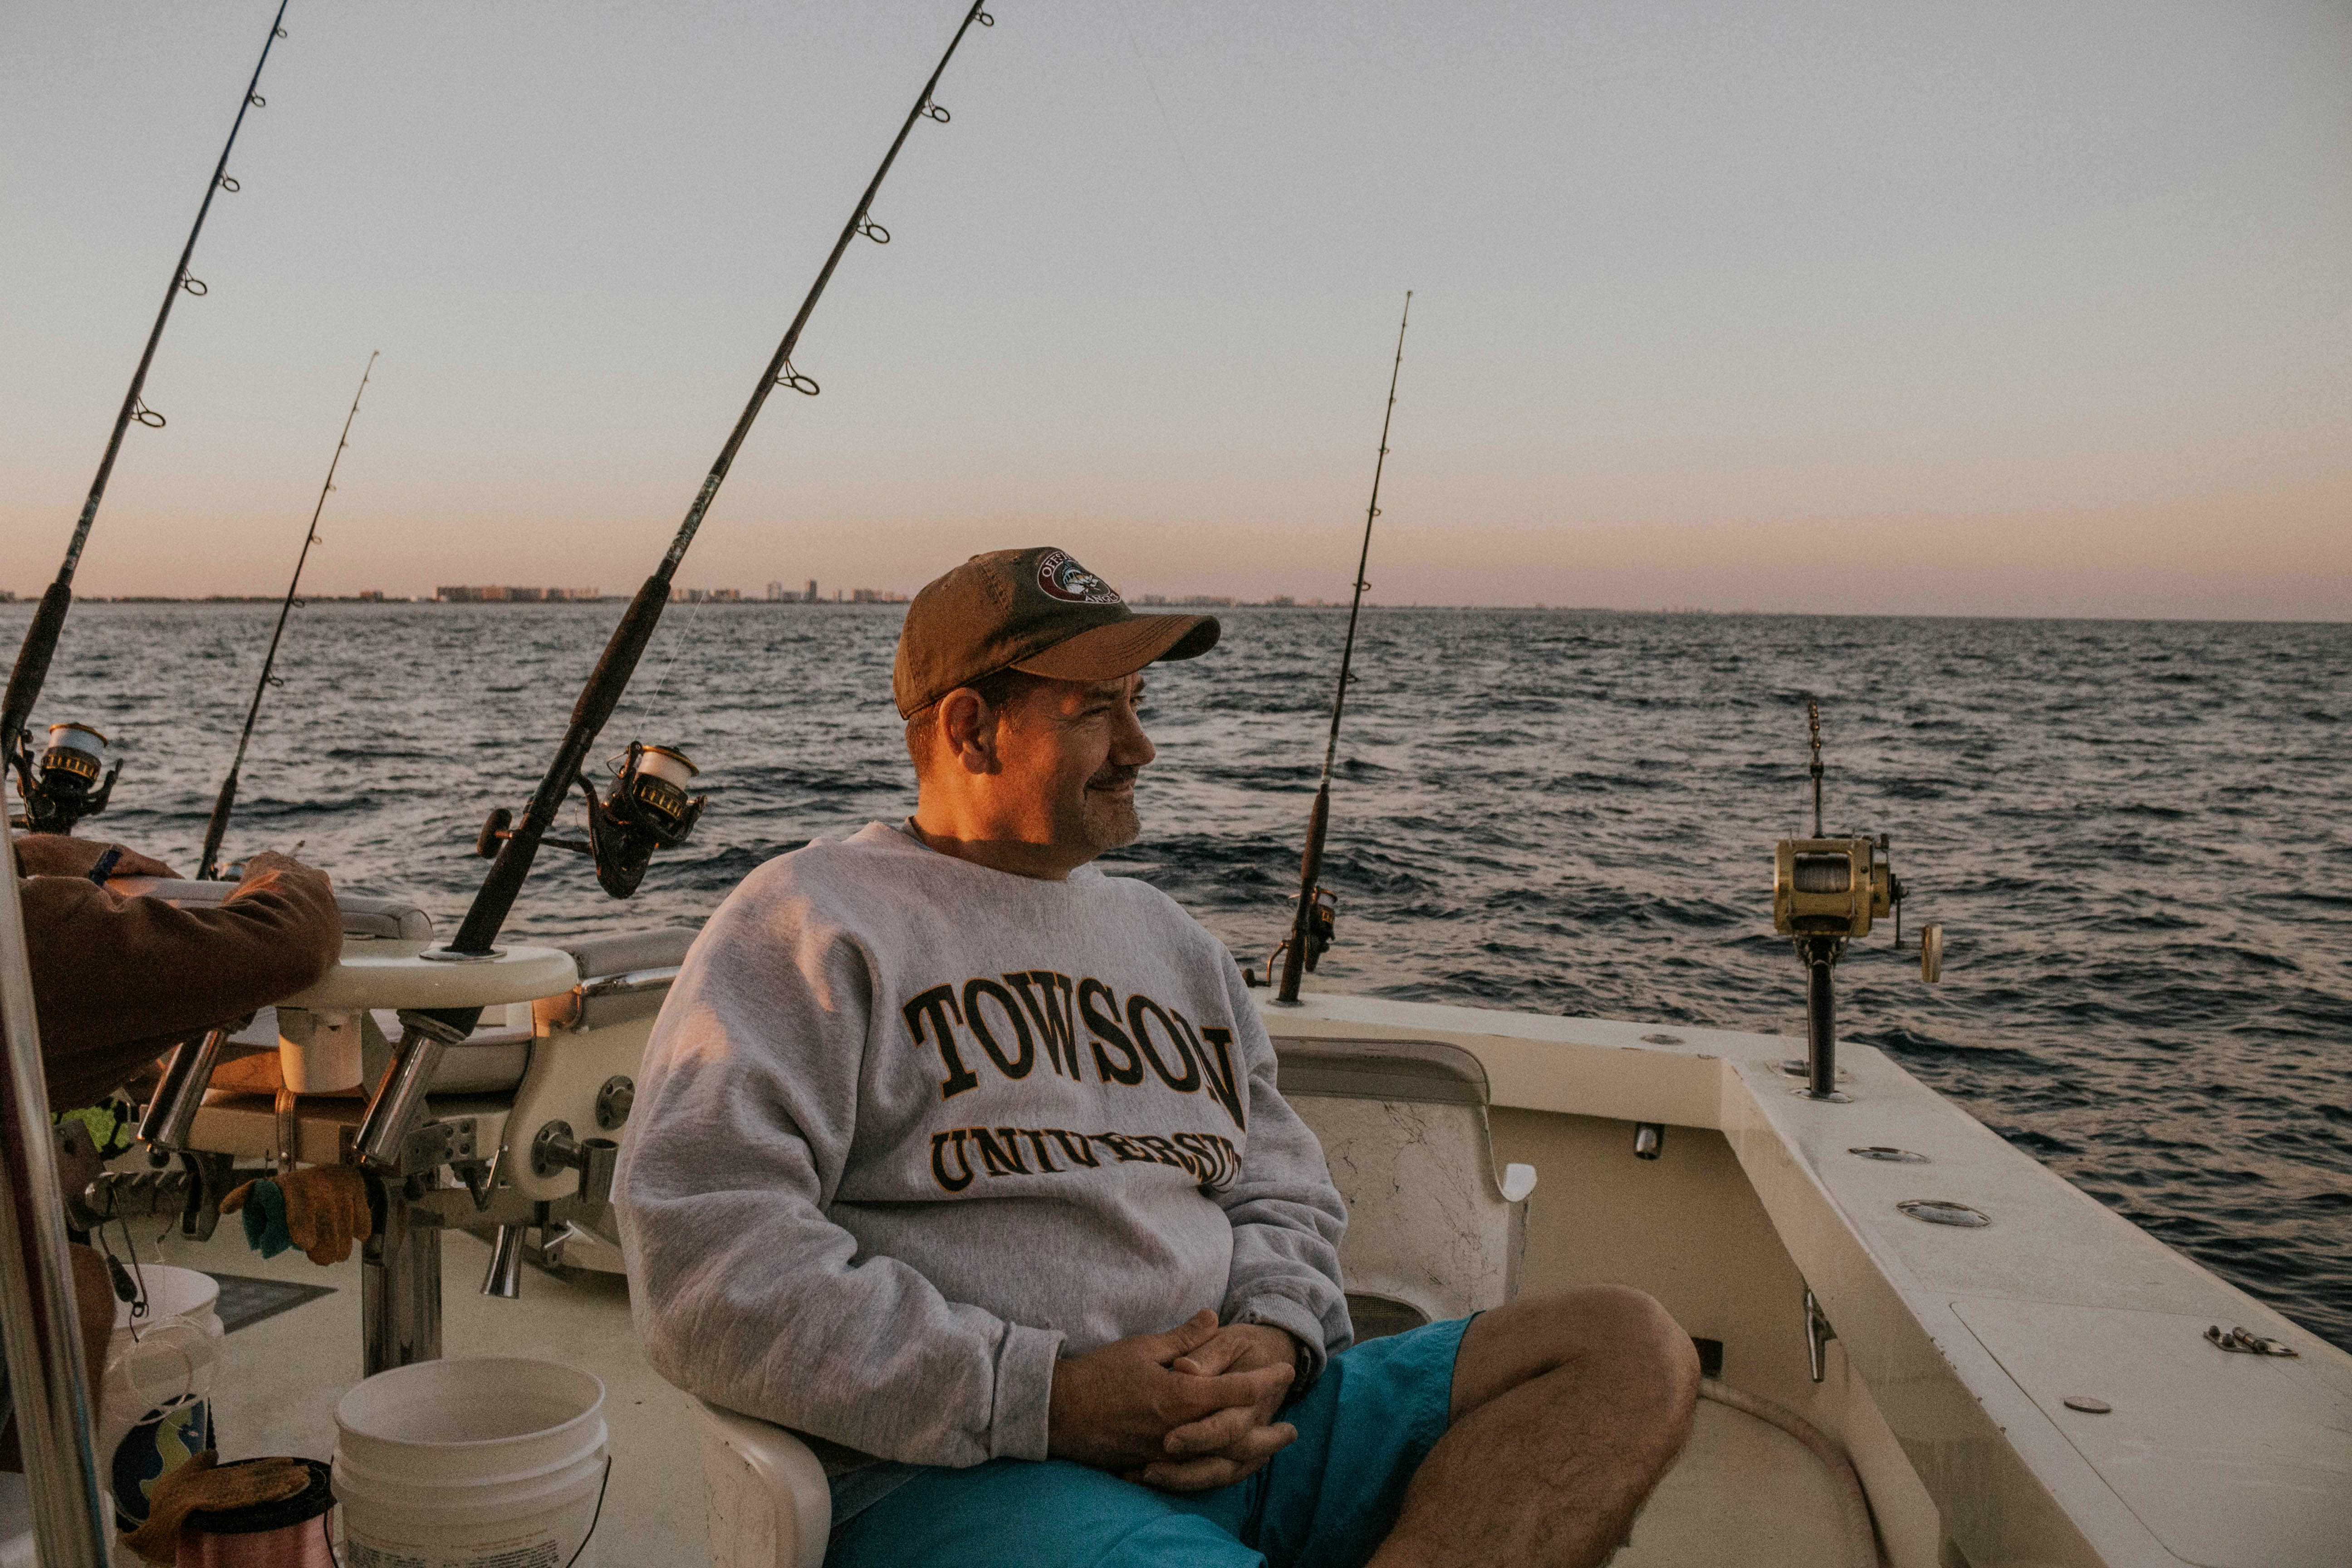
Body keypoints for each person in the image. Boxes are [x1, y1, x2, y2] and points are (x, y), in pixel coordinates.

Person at [616, 546, 1698, 1568]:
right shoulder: (806, 925)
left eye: (1141, 704)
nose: (1141, 747)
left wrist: (1274, 1342)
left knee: (1624, 1350)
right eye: (1098, 710)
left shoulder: (1175, 945)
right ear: (971, 728)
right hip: (973, 1471)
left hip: (1248, 1429)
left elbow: (1284, 1192)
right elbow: (710, 1258)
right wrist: (1048, 1397)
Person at [0, 828, 343, 1472]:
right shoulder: (22, 940)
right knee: (68, 1286)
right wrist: (281, 872)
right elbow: (286, 943)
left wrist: (25, 856)